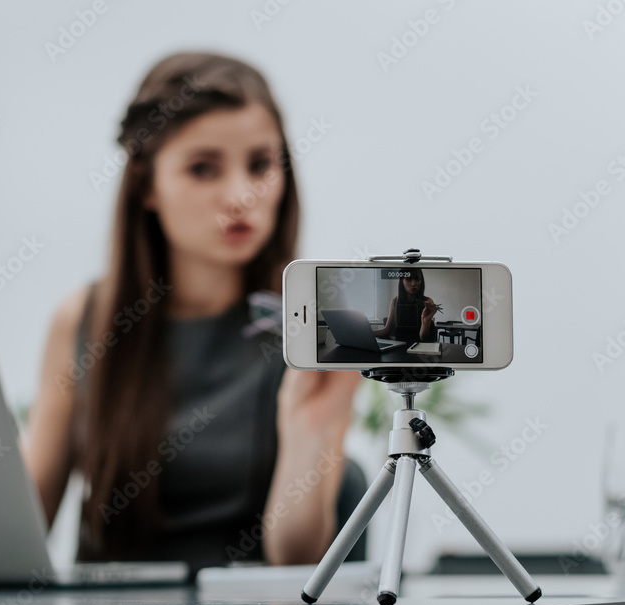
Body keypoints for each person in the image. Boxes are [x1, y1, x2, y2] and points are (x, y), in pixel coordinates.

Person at [23, 52, 365, 569]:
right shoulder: (83, 320)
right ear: (146, 187)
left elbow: (299, 563)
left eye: (260, 164)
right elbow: (27, 520)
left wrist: (314, 428)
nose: (239, 196)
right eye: (203, 168)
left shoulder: (314, 325)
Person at [373, 268, 438, 343]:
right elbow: (387, 330)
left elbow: (423, 338)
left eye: (417, 279)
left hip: (419, 347)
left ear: (421, 281)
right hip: (399, 347)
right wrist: (368, 333)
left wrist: (425, 322)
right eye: (408, 279)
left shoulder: (427, 302)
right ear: (402, 281)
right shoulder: (395, 302)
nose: (413, 283)